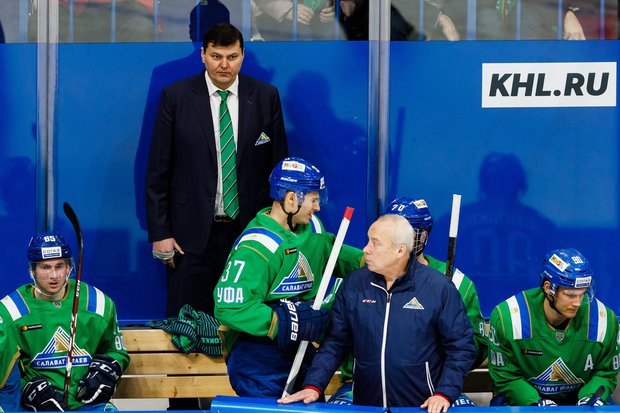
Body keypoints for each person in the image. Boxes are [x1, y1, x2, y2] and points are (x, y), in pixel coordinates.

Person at [145, 22, 288, 320]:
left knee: (245, 321)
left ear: (243, 55)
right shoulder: (176, 97)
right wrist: (161, 232)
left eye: (232, 57)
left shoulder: (265, 96)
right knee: (187, 324)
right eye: (216, 56)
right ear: (203, 55)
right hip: (189, 236)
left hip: (249, 234)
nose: (224, 65)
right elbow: (158, 170)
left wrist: (280, 228)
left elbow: (279, 169)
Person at [279, 214, 475, 412]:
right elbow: (335, 343)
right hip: (367, 406)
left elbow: (461, 348)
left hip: (420, 407)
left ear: (400, 250)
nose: (365, 249)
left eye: (375, 243)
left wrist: (444, 393)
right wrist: (314, 385)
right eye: (368, 241)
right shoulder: (354, 285)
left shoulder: (439, 288)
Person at [213, 157, 364, 398]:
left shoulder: (312, 229)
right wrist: (281, 321)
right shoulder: (257, 245)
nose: (318, 207)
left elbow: (333, 254)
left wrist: (371, 261)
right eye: (313, 200)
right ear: (292, 198)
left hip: (300, 349)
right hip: (258, 358)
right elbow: (229, 306)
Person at [0, 231, 129, 411]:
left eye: (59, 266)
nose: (54, 275)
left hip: (87, 405)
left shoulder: (98, 304)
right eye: (45, 267)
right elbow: (6, 376)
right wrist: (26, 389)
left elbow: (116, 351)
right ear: (33, 270)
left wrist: (107, 371)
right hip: (33, 409)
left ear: (69, 267)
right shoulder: (10, 311)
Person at [488, 248, 619, 406]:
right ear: (548, 287)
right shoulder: (508, 318)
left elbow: (605, 372)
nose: (577, 303)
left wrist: (590, 396)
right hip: (523, 400)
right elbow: (505, 376)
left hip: (580, 401)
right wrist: (534, 402)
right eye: (570, 295)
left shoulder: (604, 320)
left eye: (582, 293)